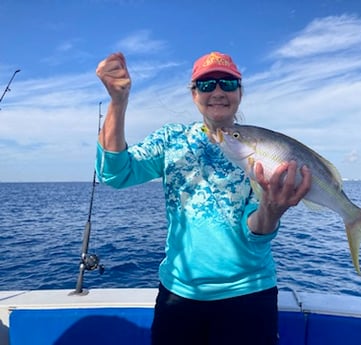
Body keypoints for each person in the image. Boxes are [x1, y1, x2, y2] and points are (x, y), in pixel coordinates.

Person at [95, 51, 311, 345]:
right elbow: (115, 173)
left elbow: (255, 232)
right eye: (207, 84)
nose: (218, 91)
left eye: (227, 83)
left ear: (240, 91)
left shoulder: (259, 150)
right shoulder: (171, 140)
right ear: (194, 93)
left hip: (249, 293)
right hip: (178, 296)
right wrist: (118, 102)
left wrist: (271, 212)